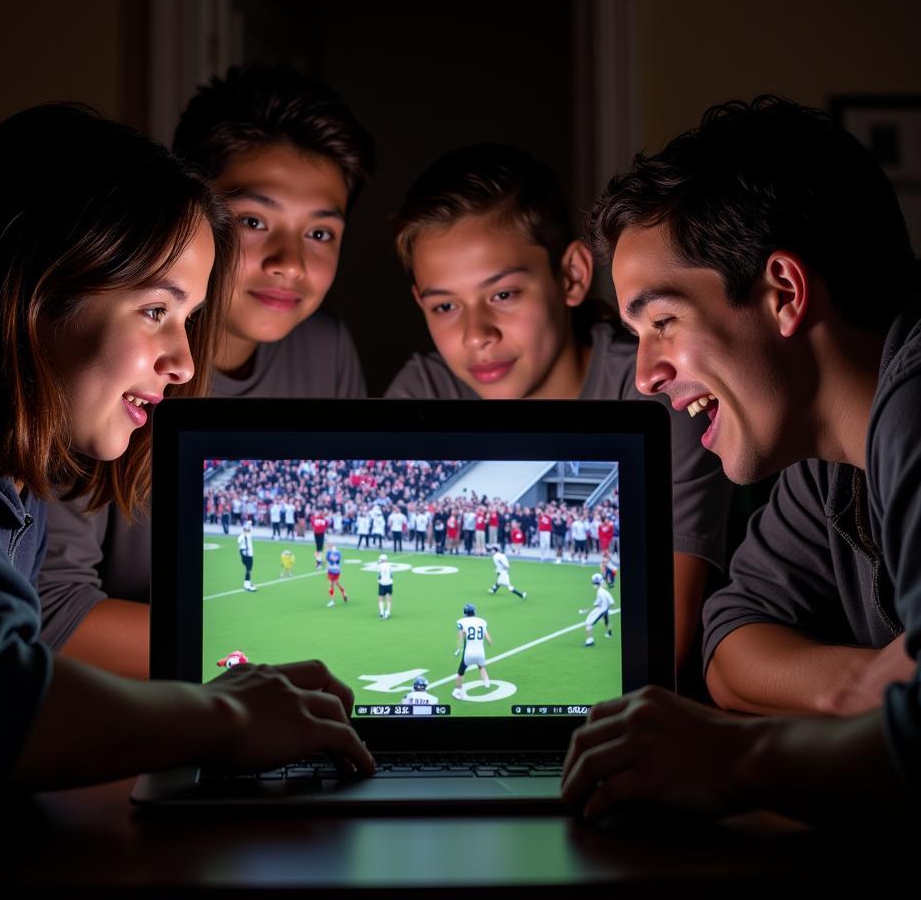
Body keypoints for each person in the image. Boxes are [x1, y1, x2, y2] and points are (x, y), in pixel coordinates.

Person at [0, 103, 373, 793]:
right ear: (38, 284)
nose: (183, 363)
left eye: (187, 318)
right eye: (156, 310)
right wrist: (225, 715)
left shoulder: (5, 473)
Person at [561, 96, 919, 822]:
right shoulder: (824, 458)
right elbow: (732, 635)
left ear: (784, 293)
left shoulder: (914, 407)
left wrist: (735, 758)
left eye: (663, 322)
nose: (645, 376)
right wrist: (866, 690)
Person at [39, 63, 375, 678]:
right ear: (191, 209)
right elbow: (53, 615)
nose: (290, 264)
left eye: (321, 232)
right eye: (253, 221)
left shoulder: (326, 350)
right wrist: (264, 657)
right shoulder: (102, 362)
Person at [385, 143, 732, 668]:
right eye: (445, 306)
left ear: (571, 275)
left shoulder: (654, 393)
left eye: (503, 295)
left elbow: (664, 651)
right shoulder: (418, 393)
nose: (476, 334)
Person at [452, 603, 493, 700]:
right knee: (481, 667)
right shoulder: (482, 621)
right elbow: (489, 640)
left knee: (460, 672)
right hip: (480, 653)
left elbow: (461, 638)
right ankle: (486, 682)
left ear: (465, 612)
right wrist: (489, 643)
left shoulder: (461, 622)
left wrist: (458, 648)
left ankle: (457, 691)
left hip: (468, 654)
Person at [583, 573, 613, 647]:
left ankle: (590, 641)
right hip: (602, 609)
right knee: (606, 621)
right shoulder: (602, 591)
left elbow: (607, 602)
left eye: (595, 583)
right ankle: (609, 633)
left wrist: (606, 609)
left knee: (589, 623)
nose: (594, 584)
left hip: (601, 610)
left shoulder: (601, 592)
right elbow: (609, 602)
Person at [237, 521, 257, 592]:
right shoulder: (247, 535)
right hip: (247, 555)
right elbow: (250, 530)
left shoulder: (241, 536)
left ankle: (247, 583)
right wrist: (249, 524)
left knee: (248, 570)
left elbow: (239, 543)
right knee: (248, 570)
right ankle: (247, 585)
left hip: (244, 554)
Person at [377, 553, 394, 619]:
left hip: (382, 584)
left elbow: (379, 576)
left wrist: (378, 582)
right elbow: (392, 575)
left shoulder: (380, 566)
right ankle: (388, 612)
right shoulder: (390, 565)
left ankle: (381, 612)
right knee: (388, 599)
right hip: (389, 583)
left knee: (381, 599)